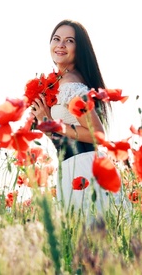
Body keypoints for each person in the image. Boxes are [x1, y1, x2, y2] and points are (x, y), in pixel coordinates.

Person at [30, 19, 123, 220]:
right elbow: (63, 135)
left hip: (85, 166)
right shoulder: (58, 81)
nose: (61, 45)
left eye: (69, 40)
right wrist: (44, 123)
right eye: (56, 39)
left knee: (92, 238)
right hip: (70, 165)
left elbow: (97, 134)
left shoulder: (71, 84)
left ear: (78, 49)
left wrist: (52, 123)